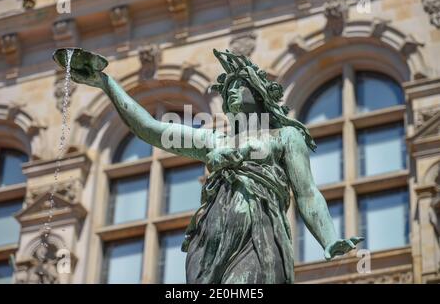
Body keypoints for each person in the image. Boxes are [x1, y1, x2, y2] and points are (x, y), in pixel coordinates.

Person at [69, 48, 363, 284]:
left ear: (258, 91)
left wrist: (328, 238)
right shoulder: (214, 140)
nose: (231, 93)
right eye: (228, 90)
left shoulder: (285, 136)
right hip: (211, 235)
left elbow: (307, 192)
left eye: (239, 86)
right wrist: (107, 84)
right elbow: (150, 129)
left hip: (259, 233)